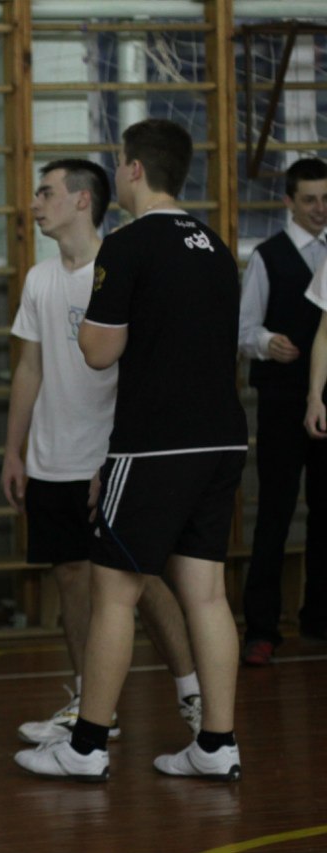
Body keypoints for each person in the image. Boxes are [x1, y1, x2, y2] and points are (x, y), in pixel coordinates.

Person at [15, 118, 247, 782]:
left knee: (114, 591)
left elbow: (97, 351)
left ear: (136, 169)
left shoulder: (129, 242)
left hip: (154, 446)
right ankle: (217, 742)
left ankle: (87, 745)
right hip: (224, 438)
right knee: (206, 594)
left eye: (120, 163)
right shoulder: (215, 244)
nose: (118, 173)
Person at [4, 160, 203, 744]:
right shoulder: (39, 279)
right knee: (71, 578)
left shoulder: (121, 267)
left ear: (82, 200)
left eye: (46, 193)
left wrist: (118, 455)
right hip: (51, 459)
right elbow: (30, 367)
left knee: (144, 580)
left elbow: (145, 368)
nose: (35, 204)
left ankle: (193, 693)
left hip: (112, 458)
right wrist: (13, 451)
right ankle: (89, 705)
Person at [239, 157, 327, 665]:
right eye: (310, 199)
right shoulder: (268, 256)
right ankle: (262, 627)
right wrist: (266, 342)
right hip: (280, 400)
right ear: (289, 201)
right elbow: (243, 329)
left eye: (326, 198)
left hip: (325, 400)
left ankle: (319, 615)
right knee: (274, 511)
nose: (320, 208)